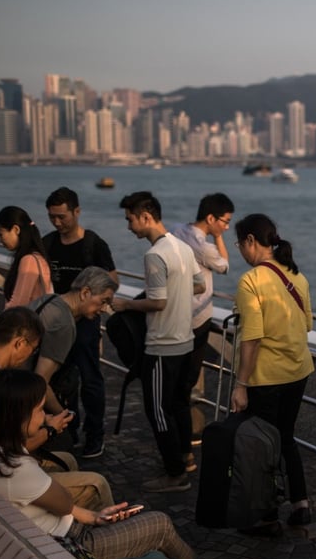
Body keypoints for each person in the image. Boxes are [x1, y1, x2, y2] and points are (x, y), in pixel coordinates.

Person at [0, 369, 232, 559]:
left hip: (42, 544)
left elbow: (60, 505)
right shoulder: (16, 468)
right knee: (159, 524)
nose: (45, 416)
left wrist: (94, 517)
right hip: (69, 549)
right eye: (40, 410)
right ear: (18, 415)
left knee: (116, 510)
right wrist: (88, 518)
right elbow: (63, 502)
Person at [0, 306, 112, 510]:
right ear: (20, 343)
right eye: (33, 349)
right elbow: (11, 451)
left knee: (66, 460)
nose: (29, 356)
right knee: (96, 484)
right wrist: (50, 429)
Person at [111, 191, 205, 493]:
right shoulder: (182, 247)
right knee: (179, 403)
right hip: (185, 340)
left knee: (157, 411)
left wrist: (125, 305)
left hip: (162, 344)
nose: (128, 226)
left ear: (146, 217)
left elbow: (158, 302)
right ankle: (186, 457)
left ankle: (175, 473)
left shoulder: (154, 255)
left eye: (130, 220)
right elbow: (199, 285)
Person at [229, 213, 315, 526]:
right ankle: (300, 504)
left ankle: (265, 516)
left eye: (239, 244)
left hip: (265, 378)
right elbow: (307, 324)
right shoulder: (297, 277)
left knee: (262, 444)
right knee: (286, 437)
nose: (240, 250)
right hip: (298, 371)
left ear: (251, 241)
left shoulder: (250, 281)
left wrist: (241, 385)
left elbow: (252, 337)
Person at [44, 186, 118, 459]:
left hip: (86, 322)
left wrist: (96, 303)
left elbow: (113, 281)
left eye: (62, 217)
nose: (57, 222)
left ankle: (95, 435)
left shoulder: (94, 244)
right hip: (57, 320)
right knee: (61, 382)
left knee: (91, 381)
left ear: (76, 211)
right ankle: (68, 431)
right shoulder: (48, 243)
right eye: (52, 217)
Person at [171, 193, 234, 442]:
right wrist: (218, 238)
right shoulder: (204, 247)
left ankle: (178, 427)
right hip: (197, 317)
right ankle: (186, 433)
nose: (226, 227)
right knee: (188, 378)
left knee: (176, 375)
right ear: (211, 218)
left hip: (174, 312)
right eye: (225, 221)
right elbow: (225, 266)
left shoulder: (176, 230)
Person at [28, 267, 120, 420]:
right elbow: (40, 383)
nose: (104, 309)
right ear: (85, 293)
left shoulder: (49, 299)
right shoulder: (64, 324)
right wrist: (64, 417)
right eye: (103, 302)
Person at [0, 206, 53, 308]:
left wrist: (3, 317)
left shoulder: (29, 260)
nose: (0, 240)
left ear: (16, 229)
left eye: (1, 234)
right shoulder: (37, 256)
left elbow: (18, 303)